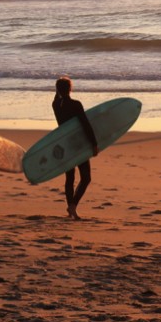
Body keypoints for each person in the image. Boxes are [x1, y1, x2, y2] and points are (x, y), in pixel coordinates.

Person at [52, 76, 100, 220]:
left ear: (58, 90)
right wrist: (94, 143)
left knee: (69, 178)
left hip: (65, 144)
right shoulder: (76, 104)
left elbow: (57, 98)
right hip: (78, 144)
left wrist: (58, 90)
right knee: (86, 178)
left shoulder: (55, 105)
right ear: (70, 89)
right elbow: (85, 125)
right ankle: (73, 206)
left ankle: (70, 207)